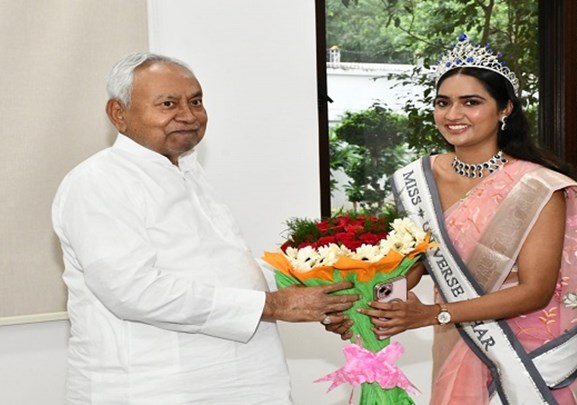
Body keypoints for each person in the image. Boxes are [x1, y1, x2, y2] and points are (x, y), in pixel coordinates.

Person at [51, 52, 357, 404]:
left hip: (241, 381)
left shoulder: (188, 172)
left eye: (196, 101)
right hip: (154, 387)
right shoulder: (98, 182)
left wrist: (319, 291)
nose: (188, 115)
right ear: (118, 114)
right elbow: (133, 291)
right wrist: (272, 305)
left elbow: (225, 271)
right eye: (168, 104)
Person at [351, 34, 577, 403]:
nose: (453, 114)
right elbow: (415, 265)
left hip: (527, 351)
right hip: (459, 341)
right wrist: (371, 305)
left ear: (505, 108)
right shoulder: (420, 179)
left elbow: (535, 290)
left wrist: (433, 314)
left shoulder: (538, 185)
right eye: (443, 103)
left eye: (471, 102)